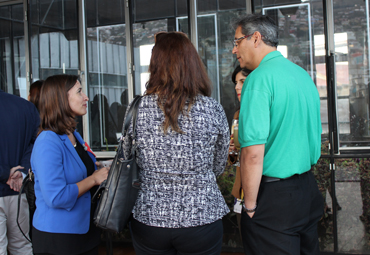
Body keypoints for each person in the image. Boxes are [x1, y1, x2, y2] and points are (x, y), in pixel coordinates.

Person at [124, 31, 230, 255]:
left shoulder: (136, 109)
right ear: (193, 64)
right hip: (202, 216)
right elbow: (219, 164)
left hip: (149, 216)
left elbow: (126, 157)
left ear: (155, 65)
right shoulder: (212, 109)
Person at [232, 14, 323, 255]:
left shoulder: (259, 79)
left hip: (274, 199)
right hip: (307, 190)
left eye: (237, 41)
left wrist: (249, 206)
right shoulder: (302, 75)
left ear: (256, 38)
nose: (234, 49)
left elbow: (252, 153)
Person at [31, 74, 109, 255]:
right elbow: (56, 197)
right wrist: (94, 179)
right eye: (79, 92)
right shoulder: (47, 141)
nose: (86, 97)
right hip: (59, 238)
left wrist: (103, 167)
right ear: (61, 99)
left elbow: (80, 170)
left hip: (84, 232)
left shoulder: (73, 134)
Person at [0, 89, 38, 254]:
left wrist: (4, 173)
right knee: (22, 247)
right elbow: (37, 142)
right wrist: (21, 172)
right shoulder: (25, 107)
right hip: (18, 191)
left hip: (13, 186)